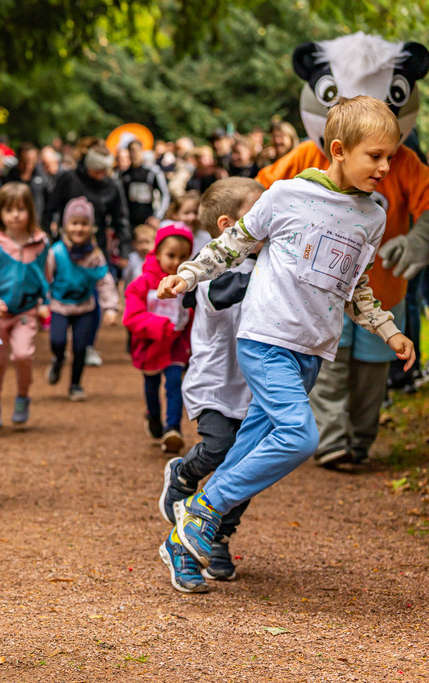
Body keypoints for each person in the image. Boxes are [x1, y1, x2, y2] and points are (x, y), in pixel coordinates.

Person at [158, 96, 415, 575]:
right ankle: (203, 510)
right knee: (299, 437)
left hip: (312, 351)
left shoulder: (373, 217)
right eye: (374, 156)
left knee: (251, 449)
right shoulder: (285, 195)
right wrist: (189, 275)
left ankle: (188, 544)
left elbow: (356, 285)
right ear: (339, 149)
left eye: (390, 156)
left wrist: (389, 329)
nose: (385, 166)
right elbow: (232, 244)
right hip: (266, 338)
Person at [156, 177, 264, 593]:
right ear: (228, 225)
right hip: (214, 383)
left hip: (254, 385)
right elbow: (223, 293)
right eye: (258, 215)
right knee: (218, 449)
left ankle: (218, 536)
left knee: (247, 467)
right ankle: (184, 472)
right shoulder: (207, 264)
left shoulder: (265, 259)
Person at [0, 182, 50, 428]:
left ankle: (23, 396)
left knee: (23, 355)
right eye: (9, 209)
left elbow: (46, 275)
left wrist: (47, 302)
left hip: (27, 310)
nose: (15, 215)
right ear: (0, 212)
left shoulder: (41, 243)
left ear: (30, 211)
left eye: (21, 209)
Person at [123, 223, 194, 453]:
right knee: (151, 387)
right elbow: (131, 317)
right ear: (157, 253)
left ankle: (173, 428)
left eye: (183, 256)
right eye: (171, 255)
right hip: (150, 345)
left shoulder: (189, 284)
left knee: (175, 384)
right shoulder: (142, 283)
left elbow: (194, 314)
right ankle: (153, 416)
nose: (176, 262)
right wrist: (160, 326)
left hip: (176, 345)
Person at [45, 198, 120, 401]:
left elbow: (105, 282)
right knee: (57, 341)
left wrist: (111, 308)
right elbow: (46, 279)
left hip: (85, 307)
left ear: (92, 227)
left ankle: (75, 385)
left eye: (84, 224)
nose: (79, 228)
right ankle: (58, 360)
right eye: (74, 223)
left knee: (80, 347)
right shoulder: (56, 251)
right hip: (59, 305)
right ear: (66, 226)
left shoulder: (95, 255)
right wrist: (42, 303)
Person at [44, 140, 132, 271]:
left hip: (97, 246)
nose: (101, 175)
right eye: (97, 170)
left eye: (104, 171)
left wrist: (124, 252)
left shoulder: (112, 185)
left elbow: (121, 219)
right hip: (67, 246)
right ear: (89, 166)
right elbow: (49, 210)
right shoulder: (69, 179)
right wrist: (49, 239)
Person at [119, 139, 171, 229]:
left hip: (148, 219)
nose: (134, 153)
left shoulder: (152, 172)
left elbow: (165, 194)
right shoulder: (125, 174)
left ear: (141, 150)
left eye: (136, 150)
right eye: (131, 150)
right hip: (129, 220)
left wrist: (157, 216)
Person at [3, 142, 51, 227]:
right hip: (13, 224)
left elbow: (50, 202)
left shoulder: (43, 178)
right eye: (24, 162)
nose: (28, 166)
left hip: (37, 224)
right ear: (18, 160)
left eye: (32, 162)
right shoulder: (8, 179)